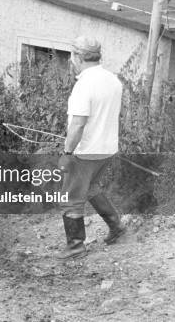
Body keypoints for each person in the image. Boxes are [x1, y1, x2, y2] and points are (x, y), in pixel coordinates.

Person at [57, 36, 126, 260]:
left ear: (77, 57)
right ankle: (117, 226)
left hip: (85, 152)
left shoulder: (84, 85)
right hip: (107, 148)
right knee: (91, 187)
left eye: (72, 56)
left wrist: (67, 153)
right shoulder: (113, 80)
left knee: (71, 197)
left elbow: (78, 124)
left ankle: (75, 247)